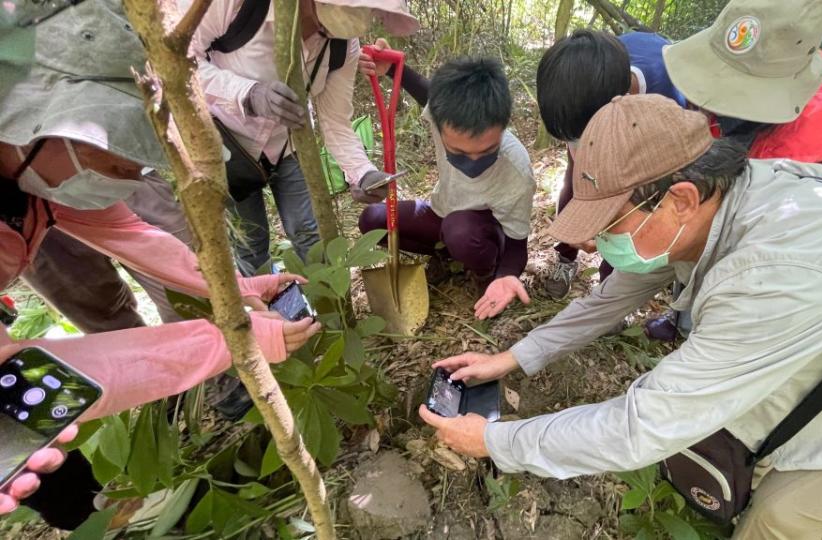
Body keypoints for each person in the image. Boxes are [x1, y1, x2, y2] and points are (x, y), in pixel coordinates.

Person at [419, 94, 822, 539]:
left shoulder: (775, 274)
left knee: (784, 514)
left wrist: (495, 442)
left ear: (678, 199)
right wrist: (512, 358)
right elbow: (611, 297)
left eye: (608, 223)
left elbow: (643, 425)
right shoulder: (725, 196)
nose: (590, 241)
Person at [0, 0, 320, 524]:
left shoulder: (40, 176)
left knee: (36, 452)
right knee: (41, 458)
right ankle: (100, 520)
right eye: (116, 153)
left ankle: (109, 513)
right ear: (40, 127)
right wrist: (229, 340)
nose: (127, 172)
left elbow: (135, 234)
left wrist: (243, 287)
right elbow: (17, 372)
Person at [643, 0, 822, 341]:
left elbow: (752, 250)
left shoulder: (802, 158)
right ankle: (681, 317)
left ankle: (698, 329)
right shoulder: (755, 64)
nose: (701, 101)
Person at [184, 0, 419, 274]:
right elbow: (180, 63)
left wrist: (363, 174)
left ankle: (329, 311)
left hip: (289, 143)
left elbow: (336, 121)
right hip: (225, 145)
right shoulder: (237, 6)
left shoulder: (342, 46)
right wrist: (247, 93)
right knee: (250, 243)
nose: (319, 33)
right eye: (322, 21)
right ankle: (270, 312)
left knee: (310, 234)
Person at [358, 41, 535, 320]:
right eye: (460, 152)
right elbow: (425, 91)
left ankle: (481, 273)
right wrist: (392, 67)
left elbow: (516, 245)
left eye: (487, 151)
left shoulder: (517, 171)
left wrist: (505, 276)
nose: (474, 161)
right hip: (442, 211)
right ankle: (446, 256)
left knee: (460, 230)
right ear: (438, 123)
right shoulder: (446, 115)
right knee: (372, 220)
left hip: (483, 233)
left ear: (503, 127)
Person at [536, 29, 686, 299]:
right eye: (570, 138)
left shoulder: (667, 90)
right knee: (574, 184)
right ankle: (566, 257)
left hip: (648, 142)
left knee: (628, 206)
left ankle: (610, 287)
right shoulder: (577, 90)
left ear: (621, 102)